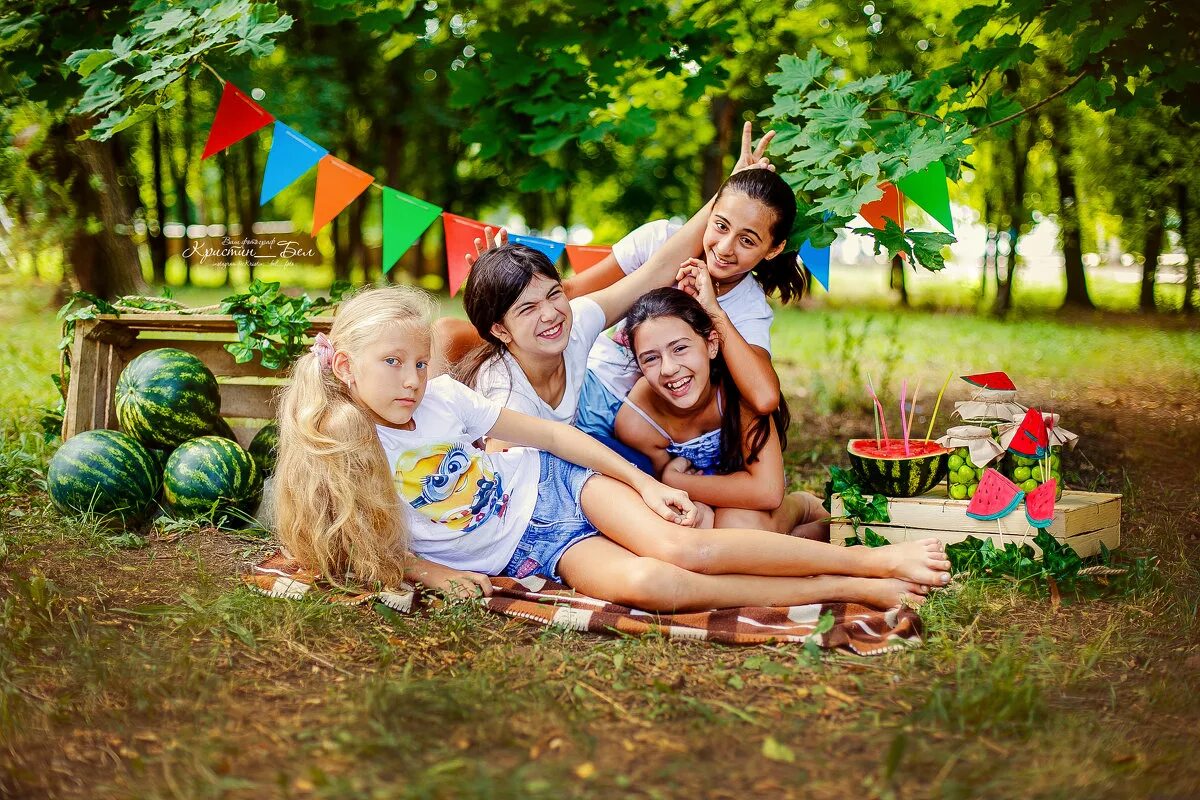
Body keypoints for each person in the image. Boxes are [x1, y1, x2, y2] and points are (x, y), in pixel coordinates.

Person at [273, 284, 952, 612]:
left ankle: (870, 558)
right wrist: (432, 574)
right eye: (392, 364)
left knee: (685, 546)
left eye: (419, 363)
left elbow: (554, 436)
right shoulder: (344, 442)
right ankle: (852, 587)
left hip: (558, 484)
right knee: (654, 586)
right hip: (530, 548)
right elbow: (359, 544)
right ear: (345, 366)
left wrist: (648, 485)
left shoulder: (443, 399)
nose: (413, 381)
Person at [576, 162, 809, 441]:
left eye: (747, 241)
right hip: (590, 387)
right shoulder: (659, 240)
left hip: (651, 425)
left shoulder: (749, 306)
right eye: (721, 226)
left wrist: (713, 308)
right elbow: (573, 294)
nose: (725, 248)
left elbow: (765, 398)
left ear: (773, 249)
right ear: (709, 214)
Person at [615, 287, 828, 539]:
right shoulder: (636, 423)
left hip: (755, 495)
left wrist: (675, 480)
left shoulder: (740, 390)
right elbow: (672, 500)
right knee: (696, 529)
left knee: (737, 527)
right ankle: (798, 537)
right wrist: (681, 492)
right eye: (650, 358)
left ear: (711, 345)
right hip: (703, 498)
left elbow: (767, 491)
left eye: (680, 348)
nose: (669, 369)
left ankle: (801, 506)